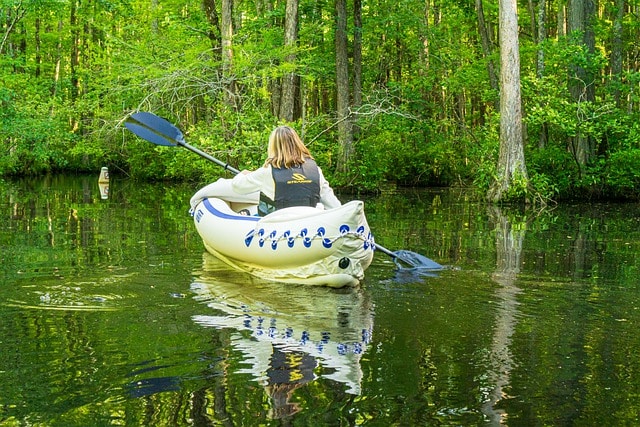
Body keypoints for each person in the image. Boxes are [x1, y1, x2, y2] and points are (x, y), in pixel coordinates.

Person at [231, 125, 341, 211]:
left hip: (283, 225)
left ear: (273, 146)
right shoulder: (315, 170)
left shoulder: (267, 172)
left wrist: (243, 173)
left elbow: (237, 187)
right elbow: (333, 204)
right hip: (311, 223)